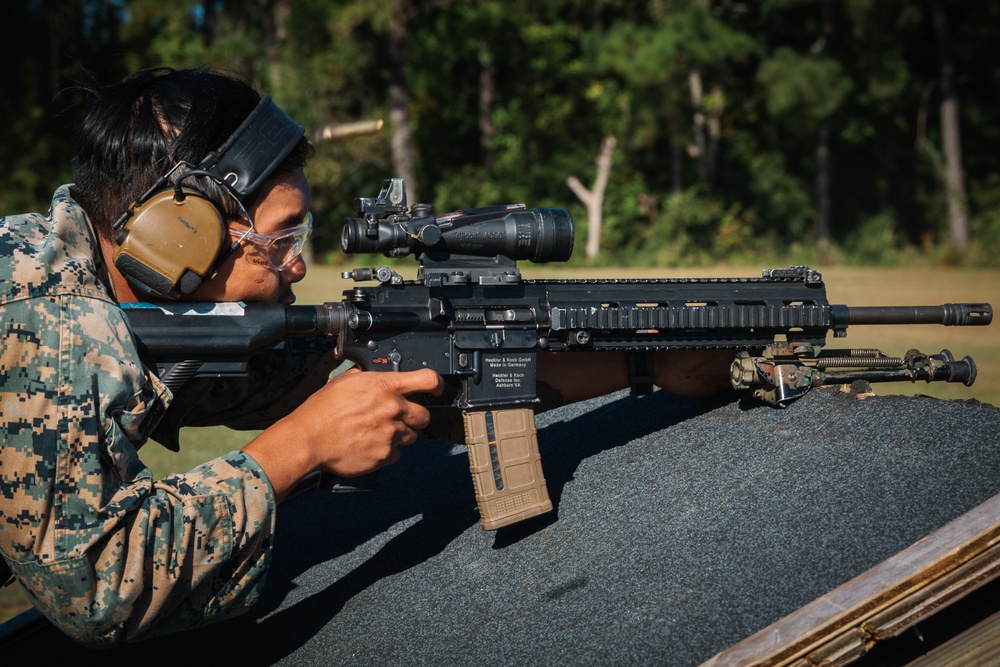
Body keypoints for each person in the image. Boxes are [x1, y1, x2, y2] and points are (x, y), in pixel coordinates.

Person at [0, 67, 731, 646]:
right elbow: (98, 583)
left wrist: (648, 363)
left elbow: (350, 372)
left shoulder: (125, 283)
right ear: (179, 234)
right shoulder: (49, 324)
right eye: (281, 239)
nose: (296, 265)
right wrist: (304, 443)